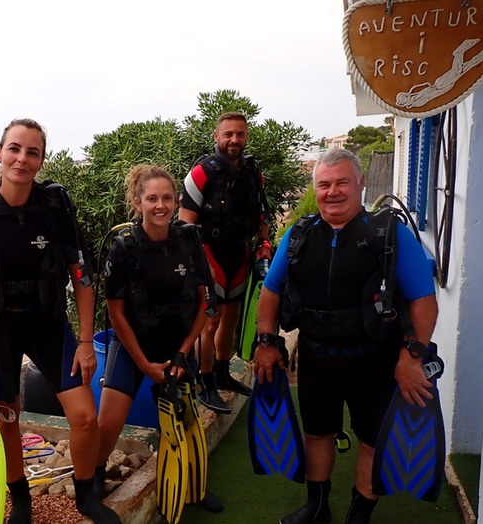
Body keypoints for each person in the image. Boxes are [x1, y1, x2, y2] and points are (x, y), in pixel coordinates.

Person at [0, 118, 120, 524]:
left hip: (47, 325)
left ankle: (84, 495)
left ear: (41, 161)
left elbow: (81, 275)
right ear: (0, 151)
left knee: (84, 416)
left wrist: (82, 341)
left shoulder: (55, 206)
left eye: (32, 152)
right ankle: (20, 499)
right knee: (8, 420)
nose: (22, 159)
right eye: (15, 149)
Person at [254, 148, 438, 524]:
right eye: (324, 184)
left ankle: (359, 514)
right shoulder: (298, 234)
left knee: (373, 439)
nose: (332, 192)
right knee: (317, 431)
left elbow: (423, 300)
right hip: (317, 355)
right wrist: (267, 343)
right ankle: (317, 507)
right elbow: (270, 292)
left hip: (375, 358)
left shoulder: (389, 235)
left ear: (360, 184)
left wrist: (412, 356)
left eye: (341, 183)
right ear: (316, 188)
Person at [95, 165, 223, 513]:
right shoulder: (123, 247)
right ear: (138, 203)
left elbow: (203, 303)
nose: (160, 205)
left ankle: (194, 485)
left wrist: (184, 353)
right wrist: (143, 364)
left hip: (176, 344)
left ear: (176, 199)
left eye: (167, 197)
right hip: (133, 345)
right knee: (107, 422)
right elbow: (116, 313)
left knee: (184, 419)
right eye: (152, 198)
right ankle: (92, 480)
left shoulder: (188, 240)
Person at [178, 111, 271, 413]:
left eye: (239, 134)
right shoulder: (201, 174)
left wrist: (264, 244)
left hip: (240, 252)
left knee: (231, 316)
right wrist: (200, 268)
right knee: (210, 321)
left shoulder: (253, 173)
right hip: (208, 254)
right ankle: (203, 381)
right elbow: (184, 226)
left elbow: (261, 216)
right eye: (228, 134)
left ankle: (220, 373)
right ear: (216, 137)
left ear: (246, 137)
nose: (234, 140)